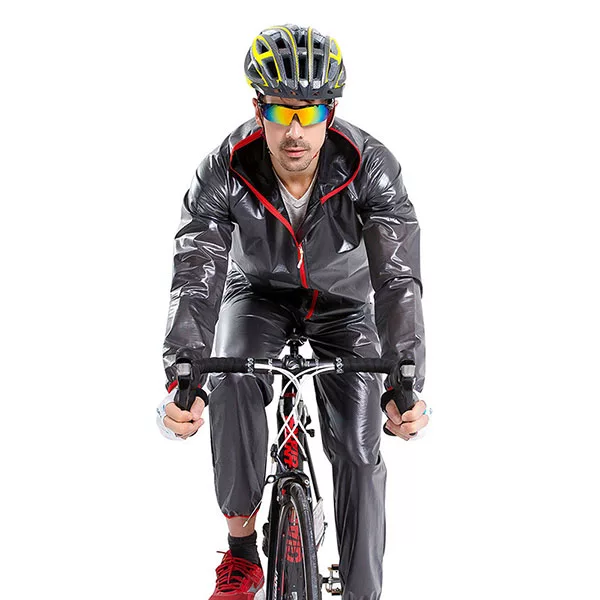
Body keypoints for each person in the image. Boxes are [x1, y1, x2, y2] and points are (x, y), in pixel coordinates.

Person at [156, 24, 430, 600]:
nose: (296, 131)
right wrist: (185, 373)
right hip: (257, 294)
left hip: (344, 303)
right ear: (260, 110)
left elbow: (397, 277)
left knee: (359, 451)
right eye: (282, 112)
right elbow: (197, 269)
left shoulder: (371, 166)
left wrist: (403, 380)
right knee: (229, 377)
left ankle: (362, 592)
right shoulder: (224, 168)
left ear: (332, 112)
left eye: (311, 112)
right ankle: (241, 553)